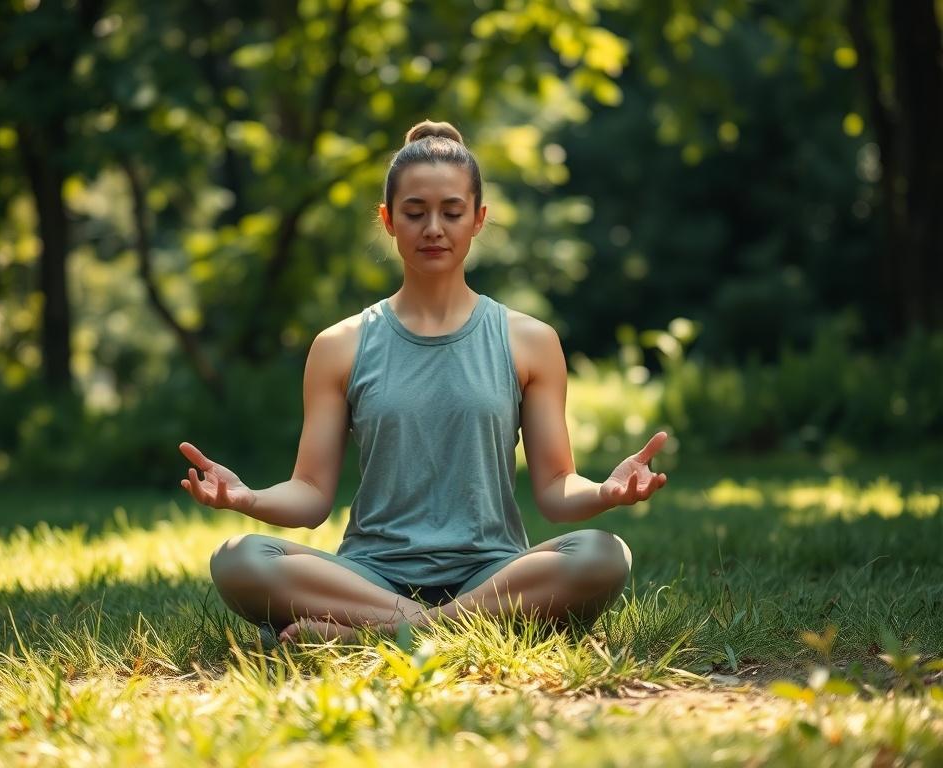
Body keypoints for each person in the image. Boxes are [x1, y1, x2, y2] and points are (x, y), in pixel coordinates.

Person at [180, 120, 668, 646]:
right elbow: (312, 494)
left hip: (492, 574)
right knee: (240, 561)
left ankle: (383, 634)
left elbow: (555, 490)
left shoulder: (530, 340)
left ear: (478, 219)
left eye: (452, 212)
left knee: (604, 554)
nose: (434, 227)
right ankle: (447, 630)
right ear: (388, 220)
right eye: (414, 213)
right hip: (371, 575)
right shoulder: (339, 345)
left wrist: (605, 491)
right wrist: (247, 498)